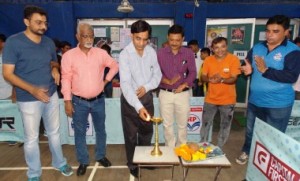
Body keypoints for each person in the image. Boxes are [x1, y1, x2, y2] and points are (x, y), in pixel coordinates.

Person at [2, 5, 73, 181]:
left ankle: (59, 162)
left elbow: (53, 63)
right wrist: (32, 89)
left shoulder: (48, 42)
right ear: (26, 21)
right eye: (38, 22)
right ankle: (34, 173)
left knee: (54, 133)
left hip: (50, 94)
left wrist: (55, 70)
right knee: (32, 138)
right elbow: (8, 73)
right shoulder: (13, 42)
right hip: (28, 99)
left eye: (45, 23)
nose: (43, 26)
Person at [236, 15, 300, 165]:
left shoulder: (293, 51)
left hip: (278, 104)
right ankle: (247, 151)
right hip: (255, 101)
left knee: (274, 137)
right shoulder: (258, 47)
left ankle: (270, 163)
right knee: (251, 131)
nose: (270, 34)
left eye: (275, 31)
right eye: (268, 30)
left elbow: (290, 76)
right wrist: (248, 70)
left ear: (286, 32)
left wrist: (265, 70)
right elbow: (248, 65)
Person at [61, 23, 118, 176]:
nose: (89, 39)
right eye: (85, 36)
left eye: (91, 36)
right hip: (78, 102)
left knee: (101, 130)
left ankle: (100, 156)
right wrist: (67, 101)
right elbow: (65, 79)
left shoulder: (100, 53)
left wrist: (106, 81)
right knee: (80, 132)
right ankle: (83, 161)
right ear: (77, 37)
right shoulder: (68, 56)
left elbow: (114, 65)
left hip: (99, 100)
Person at [119, 20, 162, 178]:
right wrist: (138, 107)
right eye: (138, 38)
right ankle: (132, 164)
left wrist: (147, 87)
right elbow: (125, 84)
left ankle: (144, 160)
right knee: (131, 135)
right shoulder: (125, 55)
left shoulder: (151, 52)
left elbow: (157, 75)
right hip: (130, 102)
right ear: (132, 36)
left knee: (146, 132)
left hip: (147, 98)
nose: (142, 43)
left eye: (145, 39)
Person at [157, 24, 196, 147]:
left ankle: (181, 148)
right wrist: (164, 80)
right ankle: (170, 149)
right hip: (165, 94)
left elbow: (193, 72)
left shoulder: (188, 53)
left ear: (183, 39)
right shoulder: (160, 53)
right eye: (171, 40)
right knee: (167, 125)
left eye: (178, 40)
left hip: (182, 94)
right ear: (168, 37)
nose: (174, 43)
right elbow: (154, 73)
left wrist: (185, 84)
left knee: (182, 124)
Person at [200, 37, 241, 148]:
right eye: (216, 48)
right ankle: (203, 145)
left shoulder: (233, 59)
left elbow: (234, 78)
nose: (220, 50)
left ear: (226, 46)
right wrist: (209, 79)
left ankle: (219, 148)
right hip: (210, 99)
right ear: (212, 49)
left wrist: (221, 79)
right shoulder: (208, 60)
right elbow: (203, 76)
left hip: (228, 100)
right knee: (205, 124)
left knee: (225, 126)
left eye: (222, 46)